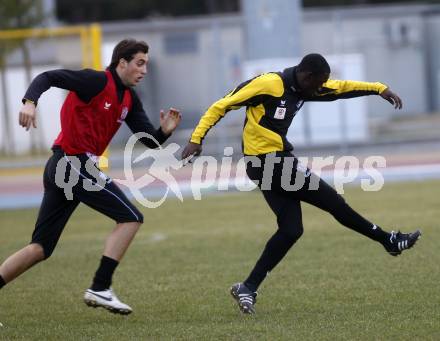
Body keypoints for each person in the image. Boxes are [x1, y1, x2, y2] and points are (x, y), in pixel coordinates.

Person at [182, 53, 421, 314]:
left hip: (268, 164)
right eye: (318, 83)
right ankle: (388, 240)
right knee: (334, 203)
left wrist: (379, 89)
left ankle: (247, 287)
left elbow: (340, 88)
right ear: (307, 76)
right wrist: (197, 138)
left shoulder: (305, 86)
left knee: (291, 229)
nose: (320, 89)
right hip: (269, 163)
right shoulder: (269, 84)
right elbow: (221, 105)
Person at [0, 39, 181, 315]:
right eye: (139, 63)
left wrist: (165, 131)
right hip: (72, 163)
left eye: (146, 63)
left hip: (66, 167)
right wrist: (29, 102)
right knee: (131, 218)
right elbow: (46, 77)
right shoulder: (95, 81)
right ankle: (100, 286)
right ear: (122, 63)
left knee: (40, 248)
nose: (144, 70)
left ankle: (100, 287)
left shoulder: (129, 99)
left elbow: (149, 140)